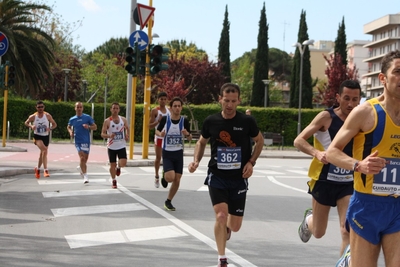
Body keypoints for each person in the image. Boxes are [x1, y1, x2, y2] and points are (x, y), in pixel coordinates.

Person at [327, 50, 400, 267]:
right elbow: (332, 151)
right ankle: (350, 259)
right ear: (383, 78)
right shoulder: (365, 112)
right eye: (397, 71)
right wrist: (359, 165)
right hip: (367, 206)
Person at [188, 83, 263, 267]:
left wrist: (251, 162)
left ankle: (227, 228)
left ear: (238, 101)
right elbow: (201, 142)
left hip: (239, 179)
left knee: (235, 226)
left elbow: (259, 141)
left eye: (233, 101)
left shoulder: (247, 122)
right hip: (217, 176)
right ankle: (222, 258)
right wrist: (196, 160)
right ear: (220, 99)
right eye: (226, 100)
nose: (229, 105)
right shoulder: (211, 121)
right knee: (221, 215)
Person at [294, 80, 361, 255]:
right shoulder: (326, 117)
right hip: (323, 180)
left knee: (347, 229)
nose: (350, 104)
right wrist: (316, 153)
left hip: (348, 182)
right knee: (318, 232)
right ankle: (309, 219)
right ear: (338, 97)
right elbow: (299, 140)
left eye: (355, 100)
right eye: (346, 98)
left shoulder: (362, 119)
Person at [156, 97, 191, 211]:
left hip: (178, 153)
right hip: (167, 152)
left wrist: (186, 134)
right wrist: (160, 134)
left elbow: (190, 138)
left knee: (177, 179)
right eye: (174, 106)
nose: (177, 108)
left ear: (181, 108)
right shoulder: (166, 120)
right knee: (170, 178)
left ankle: (168, 201)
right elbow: (157, 130)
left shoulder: (184, 121)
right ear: (170, 108)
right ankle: (165, 174)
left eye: (179, 106)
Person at [24, 100, 57, 179]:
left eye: (42, 107)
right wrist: (31, 126)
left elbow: (54, 124)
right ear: (36, 108)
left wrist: (50, 128)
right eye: (39, 107)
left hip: (45, 136)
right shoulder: (33, 116)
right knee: (44, 150)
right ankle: (46, 170)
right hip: (37, 136)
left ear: (44, 107)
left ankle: (38, 169)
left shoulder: (47, 115)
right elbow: (26, 122)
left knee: (43, 153)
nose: (40, 108)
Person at [67, 102, 97, 184]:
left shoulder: (87, 117)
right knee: (82, 158)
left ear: (82, 108)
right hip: (78, 141)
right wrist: (70, 132)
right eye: (77, 107)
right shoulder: (72, 119)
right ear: (75, 108)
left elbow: (95, 127)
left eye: (80, 107)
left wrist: (89, 127)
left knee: (85, 159)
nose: (79, 109)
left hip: (86, 140)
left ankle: (81, 168)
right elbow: (68, 126)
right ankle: (85, 176)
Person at [100, 102, 129, 189]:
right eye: (114, 108)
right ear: (111, 109)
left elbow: (127, 128)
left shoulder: (123, 120)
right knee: (112, 165)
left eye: (117, 108)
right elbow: (102, 134)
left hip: (121, 145)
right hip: (112, 146)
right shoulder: (107, 121)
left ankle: (119, 167)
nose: (115, 110)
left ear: (119, 110)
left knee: (123, 163)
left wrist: (127, 135)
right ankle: (114, 180)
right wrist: (109, 136)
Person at [149, 92, 170, 188]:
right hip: (159, 137)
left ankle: (164, 172)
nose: (163, 101)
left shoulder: (169, 110)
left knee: (167, 157)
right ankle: (156, 176)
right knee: (158, 158)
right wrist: (158, 121)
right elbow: (149, 126)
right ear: (158, 100)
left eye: (164, 99)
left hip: (168, 137)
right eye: (161, 99)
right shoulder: (155, 111)